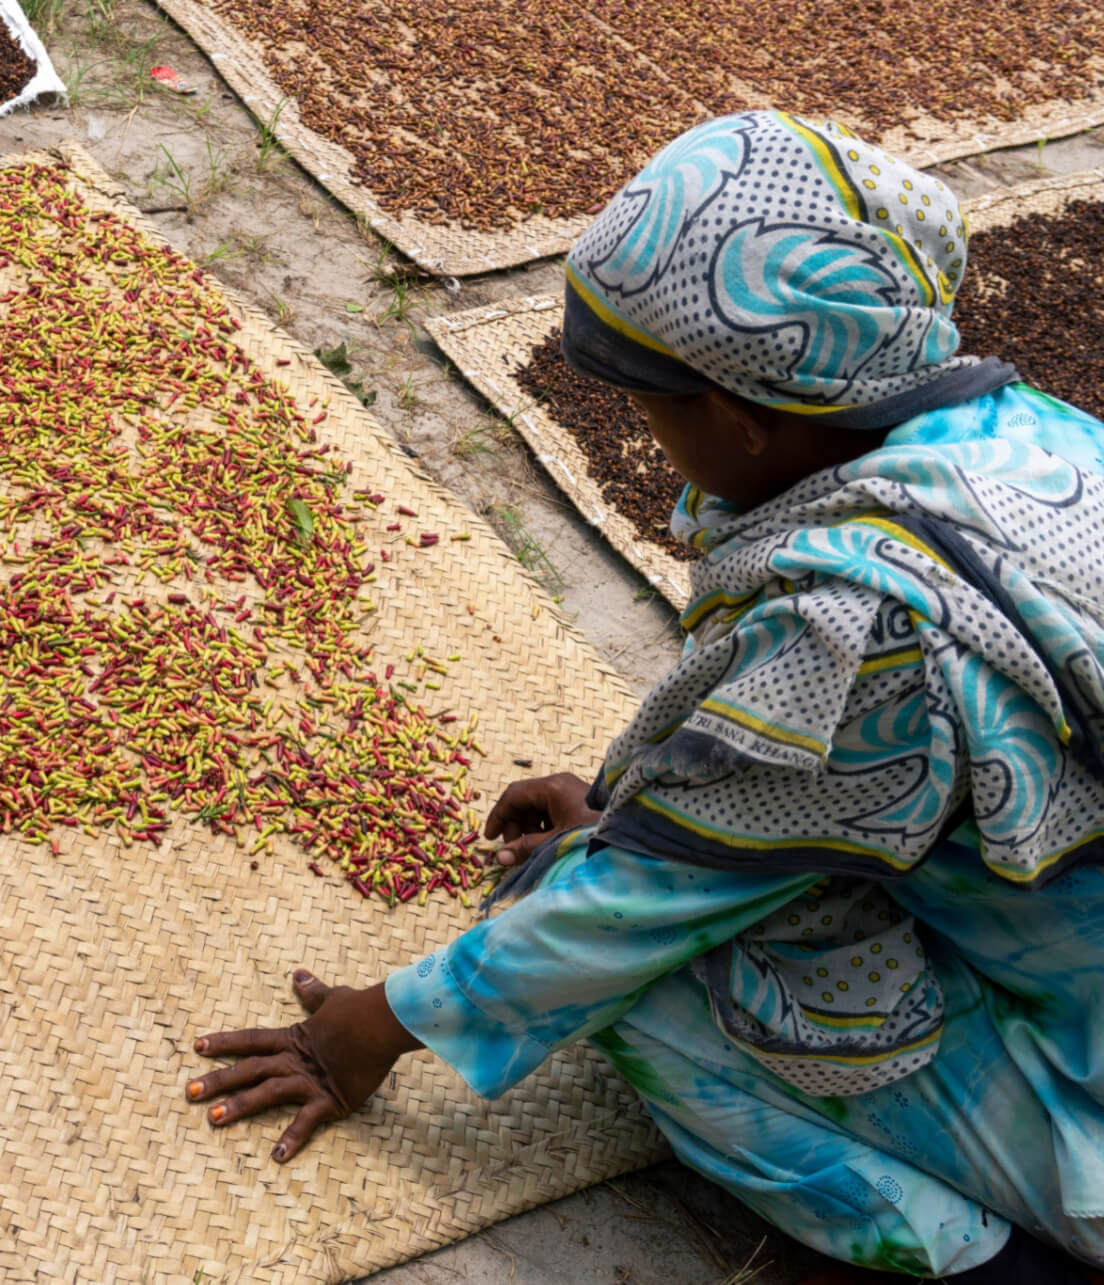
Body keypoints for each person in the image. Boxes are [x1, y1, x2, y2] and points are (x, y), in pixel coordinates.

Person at [185, 111, 1104, 1283]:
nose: (651, 435)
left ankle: (981, 1260)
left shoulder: (862, 626)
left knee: (632, 995)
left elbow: (639, 910)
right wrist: (660, 796)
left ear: (741, 414)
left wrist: (373, 1027)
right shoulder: (1025, 437)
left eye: (652, 405)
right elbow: (817, 775)